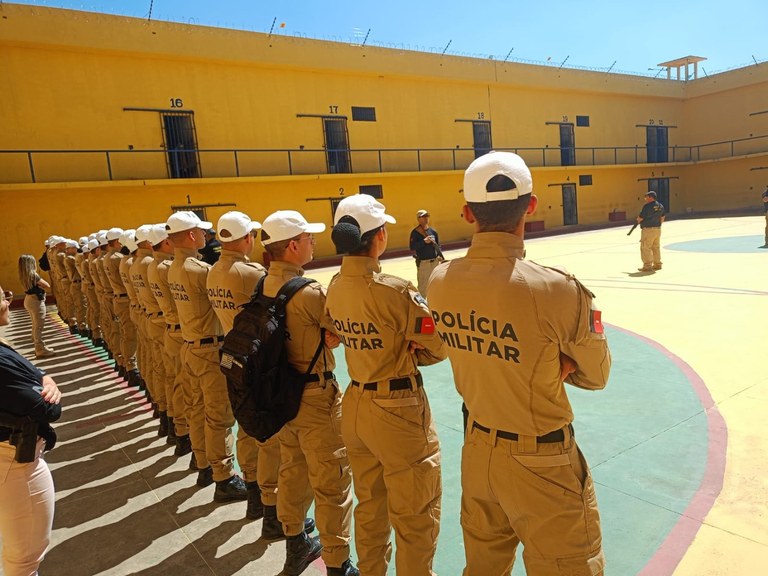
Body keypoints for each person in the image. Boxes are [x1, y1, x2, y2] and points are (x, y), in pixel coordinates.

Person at [426, 151, 610, 575]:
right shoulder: (554, 288)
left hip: (478, 453)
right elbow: (597, 374)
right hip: (541, 459)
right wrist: (555, 361)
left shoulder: (439, 281)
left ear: (467, 213)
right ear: (531, 205)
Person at [325, 194, 446, 576]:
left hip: (357, 402)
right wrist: (411, 351)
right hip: (397, 409)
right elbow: (438, 346)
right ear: (377, 237)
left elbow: (336, 332)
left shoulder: (334, 285)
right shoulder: (394, 290)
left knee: (370, 506)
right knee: (415, 516)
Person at [260, 210, 357, 576]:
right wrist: (330, 335)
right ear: (293, 245)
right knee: (331, 480)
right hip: (315, 395)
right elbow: (339, 330)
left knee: (292, 470)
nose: (314, 242)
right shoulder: (310, 291)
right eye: (309, 237)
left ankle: (294, 541)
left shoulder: (263, 284)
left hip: (280, 394)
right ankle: (337, 563)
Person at [165, 210, 247, 502]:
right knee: (218, 416)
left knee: (196, 407)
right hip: (210, 347)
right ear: (191, 235)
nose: (205, 236)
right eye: (201, 232)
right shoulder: (199, 270)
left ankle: (202, 463)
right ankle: (223, 476)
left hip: (190, 345)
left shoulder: (172, 267)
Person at [0, 282, 62, 576]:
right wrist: (46, 386)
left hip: (11, 460)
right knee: (24, 561)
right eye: (3, 297)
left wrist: (45, 379)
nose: (9, 300)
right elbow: (48, 408)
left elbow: (36, 373)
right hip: (15, 464)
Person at [17, 255, 55, 358]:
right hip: (35, 301)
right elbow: (47, 285)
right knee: (39, 326)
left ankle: (40, 346)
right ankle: (40, 349)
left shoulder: (23, 275)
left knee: (35, 324)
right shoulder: (33, 275)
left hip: (28, 299)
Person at [409, 209, 443, 296]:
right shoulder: (415, 233)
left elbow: (438, 245)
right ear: (418, 219)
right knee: (422, 288)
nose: (426, 218)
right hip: (424, 263)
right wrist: (424, 241)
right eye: (423, 216)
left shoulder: (433, 231)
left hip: (435, 262)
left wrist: (439, 255)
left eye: (427, 216)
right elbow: (412, 247)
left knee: (437, 284)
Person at [636, 191, 665, 271]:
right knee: (656, 247)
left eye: (646, 197)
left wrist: (638, 220)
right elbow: (662, 217)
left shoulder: (647, 206)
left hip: (648, 230)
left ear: (651, 197)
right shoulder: (660, 206)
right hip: (657, 229)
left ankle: (647, 265)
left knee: (646, 247)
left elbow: (641, 217)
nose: (645, 199)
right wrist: (658, 225)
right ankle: (657, 264)